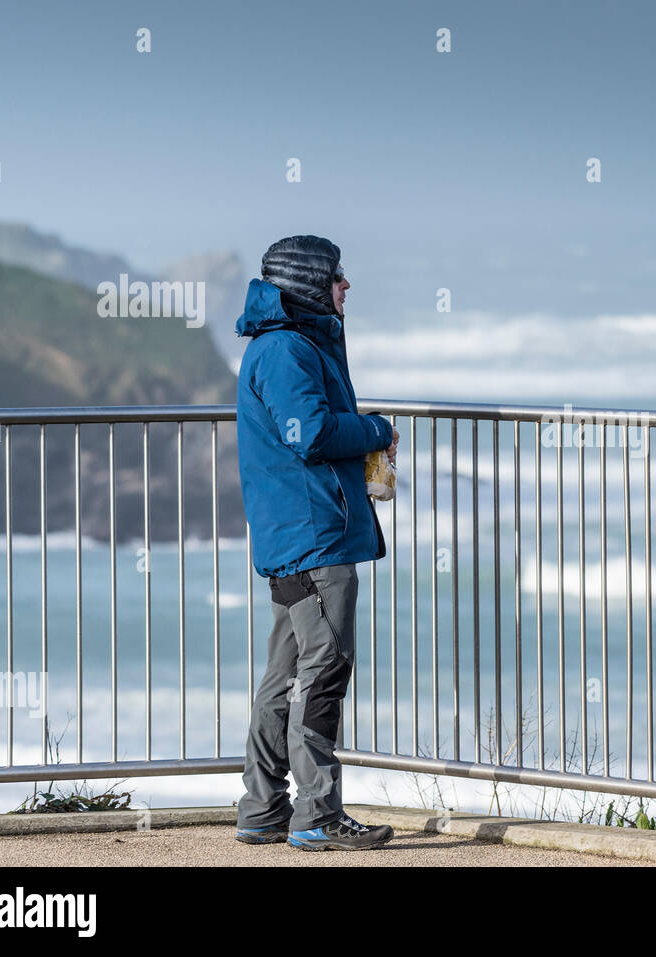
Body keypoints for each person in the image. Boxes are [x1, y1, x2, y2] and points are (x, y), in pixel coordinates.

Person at [232, 235, 398, 851]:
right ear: (309, 285)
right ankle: (317, 814)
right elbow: (310, 432)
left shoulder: (287, 345)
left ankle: (261, 806)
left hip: (294, 533)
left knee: (283, 674)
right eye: (337, 278)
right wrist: (376, 429)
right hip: (314, 537)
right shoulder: (285, 351)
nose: (346, 287)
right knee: (323, 672)